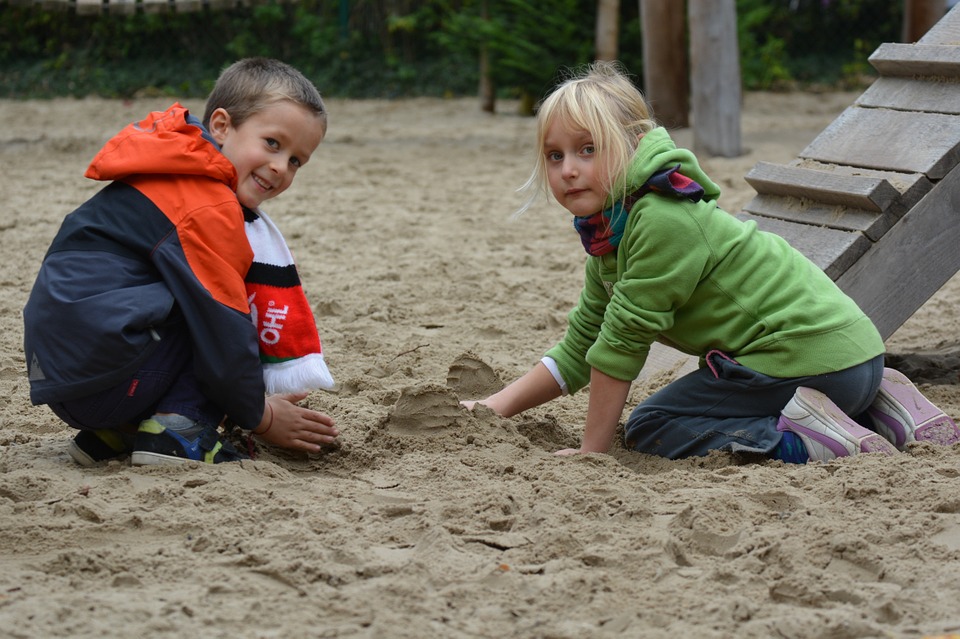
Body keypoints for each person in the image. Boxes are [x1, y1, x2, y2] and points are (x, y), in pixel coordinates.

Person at [461, 61, 960, 463]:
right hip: (854, 357)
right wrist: (492, 408)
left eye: (588, 149)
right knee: (689, 401)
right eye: (554, 155)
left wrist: (593, 452)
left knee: (654, 426)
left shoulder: (662, 221)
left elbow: (619, 347)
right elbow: (581, 345)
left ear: (632, 144)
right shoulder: (614, 236)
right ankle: (888, 406)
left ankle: (812, 439)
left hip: (809, 362)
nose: (569, 169)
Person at [23, 58, 340, 466]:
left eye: (297, 160)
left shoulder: (171, 168)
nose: (280, 167)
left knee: (183, 297)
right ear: (222, 126)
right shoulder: (207, 204)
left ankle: (118, 433)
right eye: (273, 144)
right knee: (214, 316)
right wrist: (262, 416)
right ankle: (178, 430)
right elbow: (223, 332)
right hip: (105, 378)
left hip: (63, 375)